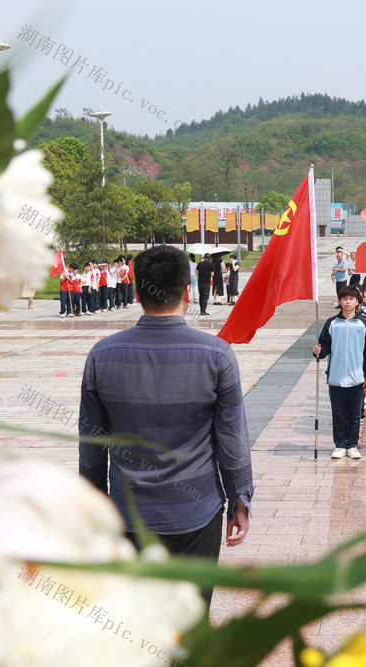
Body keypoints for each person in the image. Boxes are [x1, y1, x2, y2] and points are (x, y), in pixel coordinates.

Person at [78, 244, 254, 605]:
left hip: (127, 516)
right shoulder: (217, 355)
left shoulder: (102, 355)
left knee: (135, 624)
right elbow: (232, 438)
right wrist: (240, 496)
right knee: (191, 621)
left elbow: (92, 445)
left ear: (138, 292)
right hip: (197, 512)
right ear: (188, 292)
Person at [312, 285, 366, 460]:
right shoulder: (332, 323)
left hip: (357, 377)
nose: (348, 302)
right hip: (336, 377)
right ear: (340, 301)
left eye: (351, 299)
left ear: (357, 302)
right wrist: (319, 351)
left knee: (355, 413)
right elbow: (325, 345)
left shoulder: (363, 323)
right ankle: (340, 445)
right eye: (345, 299)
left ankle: (352, 445)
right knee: (339, 413)